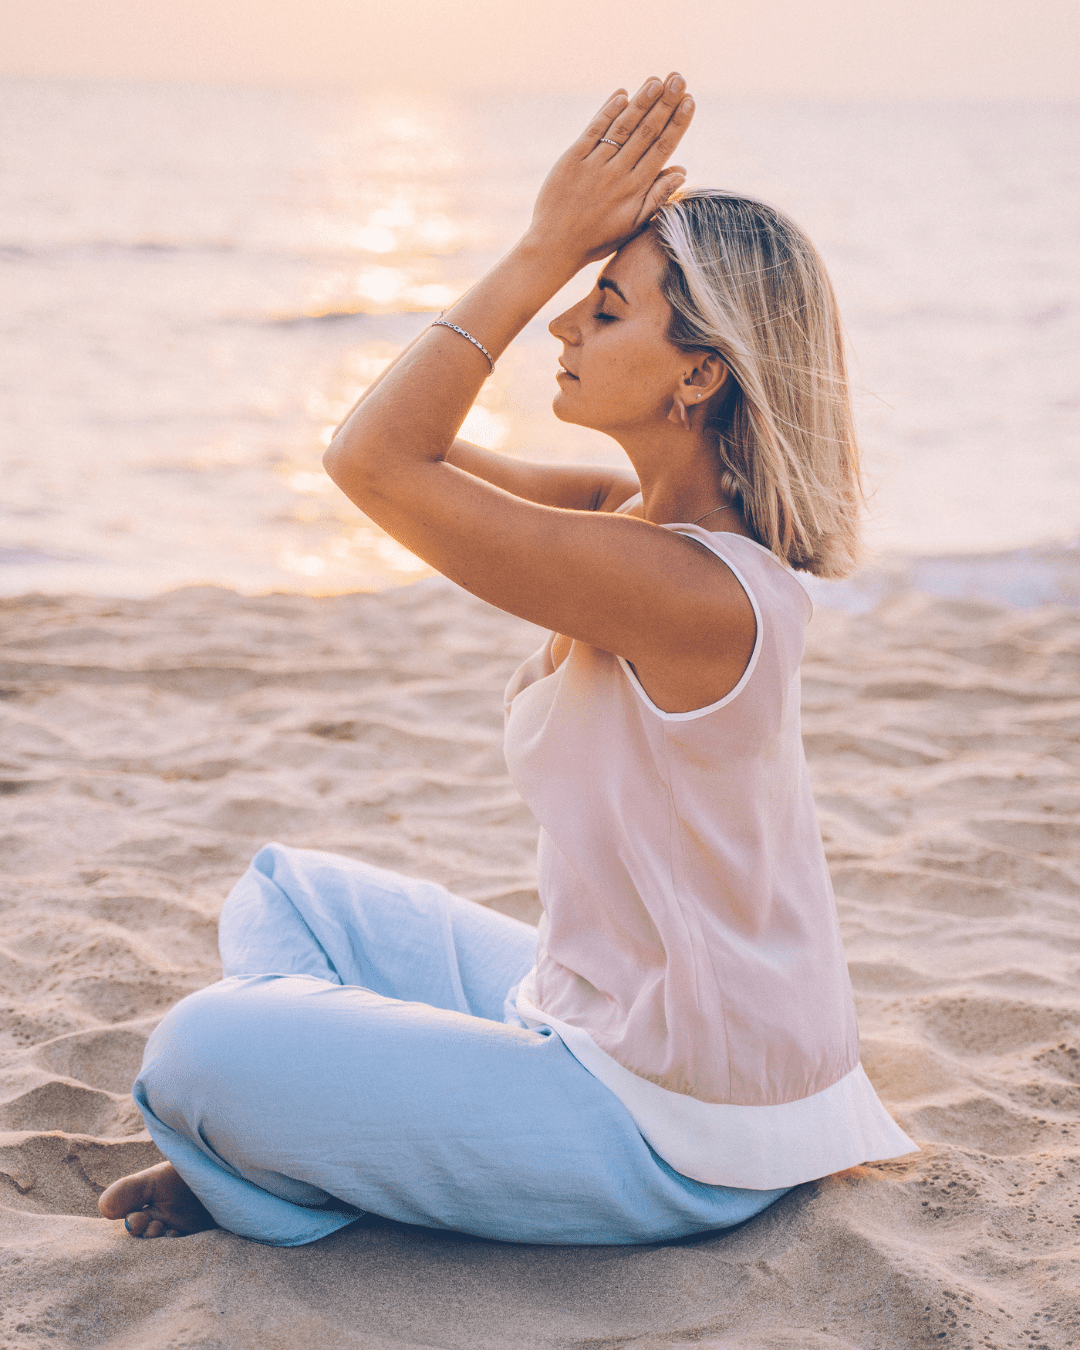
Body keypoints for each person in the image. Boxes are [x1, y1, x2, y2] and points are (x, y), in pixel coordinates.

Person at [99, 72, 915, 1246]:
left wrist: (542, 245)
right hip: (606, 1013)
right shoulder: (626, 522)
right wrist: (554, 248)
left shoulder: (689, 590)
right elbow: (388, 439)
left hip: (676, 1122)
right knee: (287, 890)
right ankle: (318, 1137)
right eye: (580, 293)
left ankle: (290, 1152)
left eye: (608, 306)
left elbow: (375, 462)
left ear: (702, 372)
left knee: (199, 1049)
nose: (565, 322)